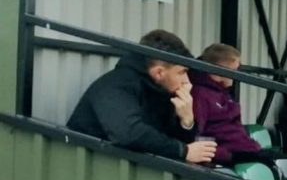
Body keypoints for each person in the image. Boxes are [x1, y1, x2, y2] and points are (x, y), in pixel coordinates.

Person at [67, 29, 216, 163]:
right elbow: (128, 134)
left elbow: (171, 141)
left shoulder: (163, 90)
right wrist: (182, 151)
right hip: (84, 165)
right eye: (182, 72)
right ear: (159, 72)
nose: (187, 81)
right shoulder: (114, 85)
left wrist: (186, 121)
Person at [189, 43, 265, 164]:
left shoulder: (222, 92)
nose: (235, 76)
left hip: (246, 149)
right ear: (220, 70)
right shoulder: (200, 94)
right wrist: (226, 155)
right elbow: (197, 135)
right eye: (233, 71)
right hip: (231, 154)